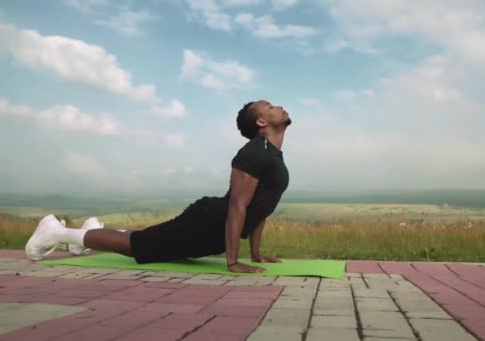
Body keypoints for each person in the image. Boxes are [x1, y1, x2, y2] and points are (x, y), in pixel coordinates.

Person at [25, 100, 292, 274]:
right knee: (138, 245)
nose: (279, 106)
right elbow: (238, 205)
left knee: (151, 238)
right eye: (270, 106)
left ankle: (91, 232)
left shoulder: (272, 154)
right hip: (207, 222)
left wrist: (256, 254)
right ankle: (56, 233)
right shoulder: (255, 152)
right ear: (261, 122)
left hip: (211, 232)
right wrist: (233, 262)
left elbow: (261, 208)